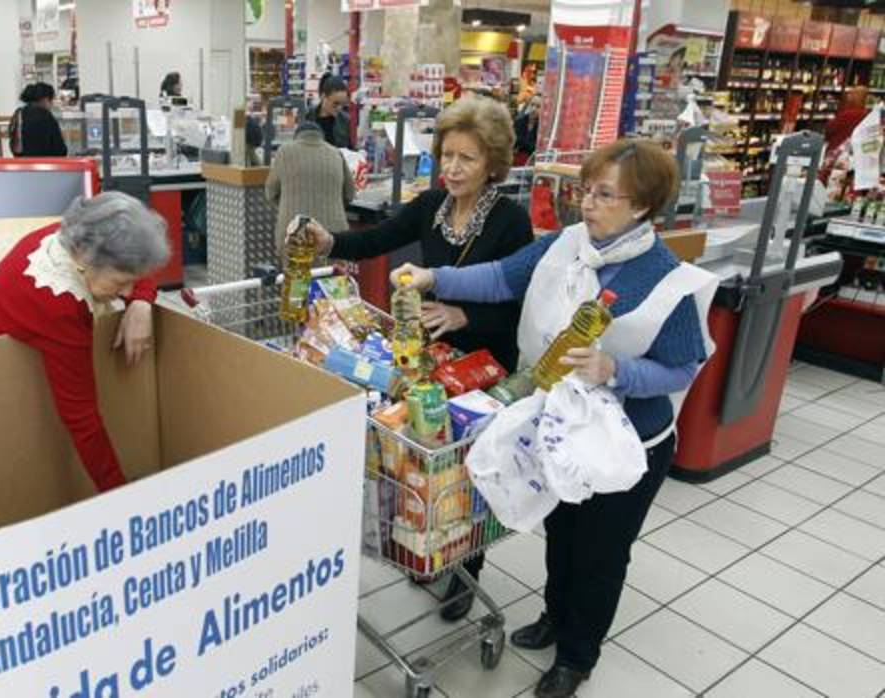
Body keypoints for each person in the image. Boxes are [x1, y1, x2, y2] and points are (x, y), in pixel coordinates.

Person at [390, 138, 712, 698]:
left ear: (642, 206)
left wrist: (617, 369)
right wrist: (434, 278)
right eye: (585, 190)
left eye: (604, 194)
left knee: (601, 554)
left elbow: (683, 368)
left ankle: (577, 656)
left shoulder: (668, 279)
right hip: (558, 428)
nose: (586, 204)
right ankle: (553, 617)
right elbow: (499, 278)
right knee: (561, 534)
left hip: (627, 445)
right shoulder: (568, 245)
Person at [292, 95, 533, 621]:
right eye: (446, 154)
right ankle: (426, 544)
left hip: (485, 362)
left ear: (492, 163)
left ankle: (468, 572)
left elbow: (520, 301)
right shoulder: (432, 206)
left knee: (468, 470)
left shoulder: (512, 221)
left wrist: (465, 317)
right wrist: (329, 239)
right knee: (422, 457)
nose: (452, 167)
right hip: (426, 358)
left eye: (466, 158)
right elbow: (378, 239)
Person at [0, 192, 170, 492]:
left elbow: (136, 263)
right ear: (88, 261)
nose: (127, 291)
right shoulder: (57, 302)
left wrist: (141, 302)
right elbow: (82, 419)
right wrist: (120, 497)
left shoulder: (75, 237)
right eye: (119, 283)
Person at [265, 121, 355, 255]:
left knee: (296, 274)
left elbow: (271, 192)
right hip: (334, 235)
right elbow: (349, 194)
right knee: (332, 275)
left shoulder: (284, 152)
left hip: (294, 234)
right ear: (321, 136)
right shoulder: (335, 153)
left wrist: (288, 205)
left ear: (297, 136)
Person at [10, 82, 68, 157]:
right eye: (51, 101)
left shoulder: (19, 113)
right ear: (45, 99)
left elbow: (14, 145)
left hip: (23, 163)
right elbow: (59, 148)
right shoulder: (46, 116)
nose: (51, 105)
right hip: (45, 164)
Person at [306, 75, 351, 149]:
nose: (339, 108)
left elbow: (349, 149)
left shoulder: (345, 121)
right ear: (324, 97)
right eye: (335, 103)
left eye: (343, 104)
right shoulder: (307, 117)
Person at [824, 85, 870, 154]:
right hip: (854, 153)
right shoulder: (867, 115)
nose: (848, 96)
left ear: (854, 97)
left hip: (837, 151)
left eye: (851, 94)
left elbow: (829, 128)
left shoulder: (847, 114)